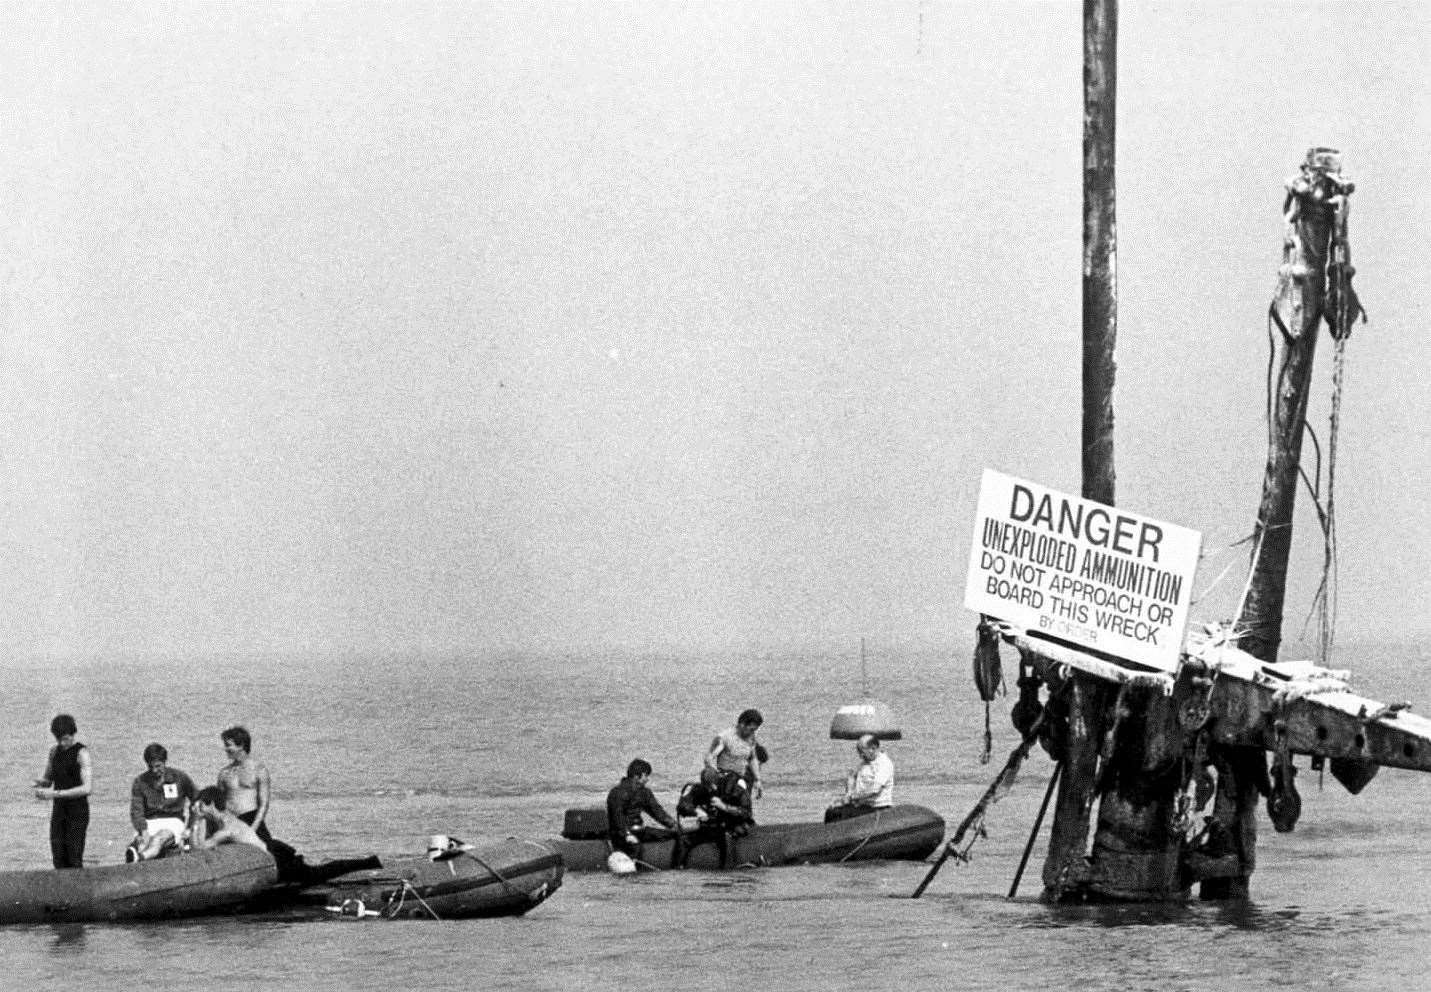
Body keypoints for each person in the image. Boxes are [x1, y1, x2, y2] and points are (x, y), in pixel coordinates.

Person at [33, 714, 93, 869]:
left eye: (65, 738)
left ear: (73, 734)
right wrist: (39, 784)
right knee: (58, 857)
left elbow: (87, 788)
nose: (62, 742)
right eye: (58, 738)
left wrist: (54, 794)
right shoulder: (54, 752)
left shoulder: (82, 753)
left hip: (77, 811)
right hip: (59, 811)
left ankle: (78, 891)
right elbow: (48, 780)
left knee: (74, 857)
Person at [128, 742, 199, 862]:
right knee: (142, 843)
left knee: (159, 838)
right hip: (149, 821)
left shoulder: (179, 778)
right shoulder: (140, 782)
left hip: (173, 821)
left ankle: (140, 858)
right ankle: (138, 857)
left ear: (164, 762)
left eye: (158, 766)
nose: (155, 770)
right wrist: (143, 830)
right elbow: (136, 811)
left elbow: (197, 799)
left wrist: (190, 826)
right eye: (151, 767)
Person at [606, 759, 678, 861]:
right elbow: (617, 816)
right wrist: (626, 834)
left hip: (639, 831)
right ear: (636, 776)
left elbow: (657, 812)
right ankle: (633, 871)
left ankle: (678, 866)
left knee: (673, 835)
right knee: (635, 847)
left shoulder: (644, 793)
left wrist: (674, 825)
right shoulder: (618, 792)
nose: (647, 779)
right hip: (621, 834)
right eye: (646, 775)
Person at [217, 725, 273, 842]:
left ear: (241, 745)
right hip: (231, 821)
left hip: (251, 819)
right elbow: (219, 803)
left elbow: (263, 804)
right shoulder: (224, 773)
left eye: (228, 745)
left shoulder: (259, 770)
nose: (225, 749)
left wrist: (253, 828)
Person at [826, 734, 894, 822]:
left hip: (877, 807)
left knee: (839, 814)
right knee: (831, 811)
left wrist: (853, 797)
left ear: (873, 748)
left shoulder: (884, 764)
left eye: (862, 752)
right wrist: (849, 793)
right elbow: (852, 776)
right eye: (859, 752)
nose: (860, 756)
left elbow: (874, 790)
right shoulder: (864, 763)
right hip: (861, 805)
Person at [703, 708, 765, 800]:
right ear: (742, 724)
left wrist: (757, 780)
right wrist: (716, 776)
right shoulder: (724, 738)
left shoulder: (750, 738)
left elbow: (752, 758)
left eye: (755, 730)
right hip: (724, 782)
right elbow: (709, 758)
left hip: (740, 780)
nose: (753, 733)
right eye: (751, 729)